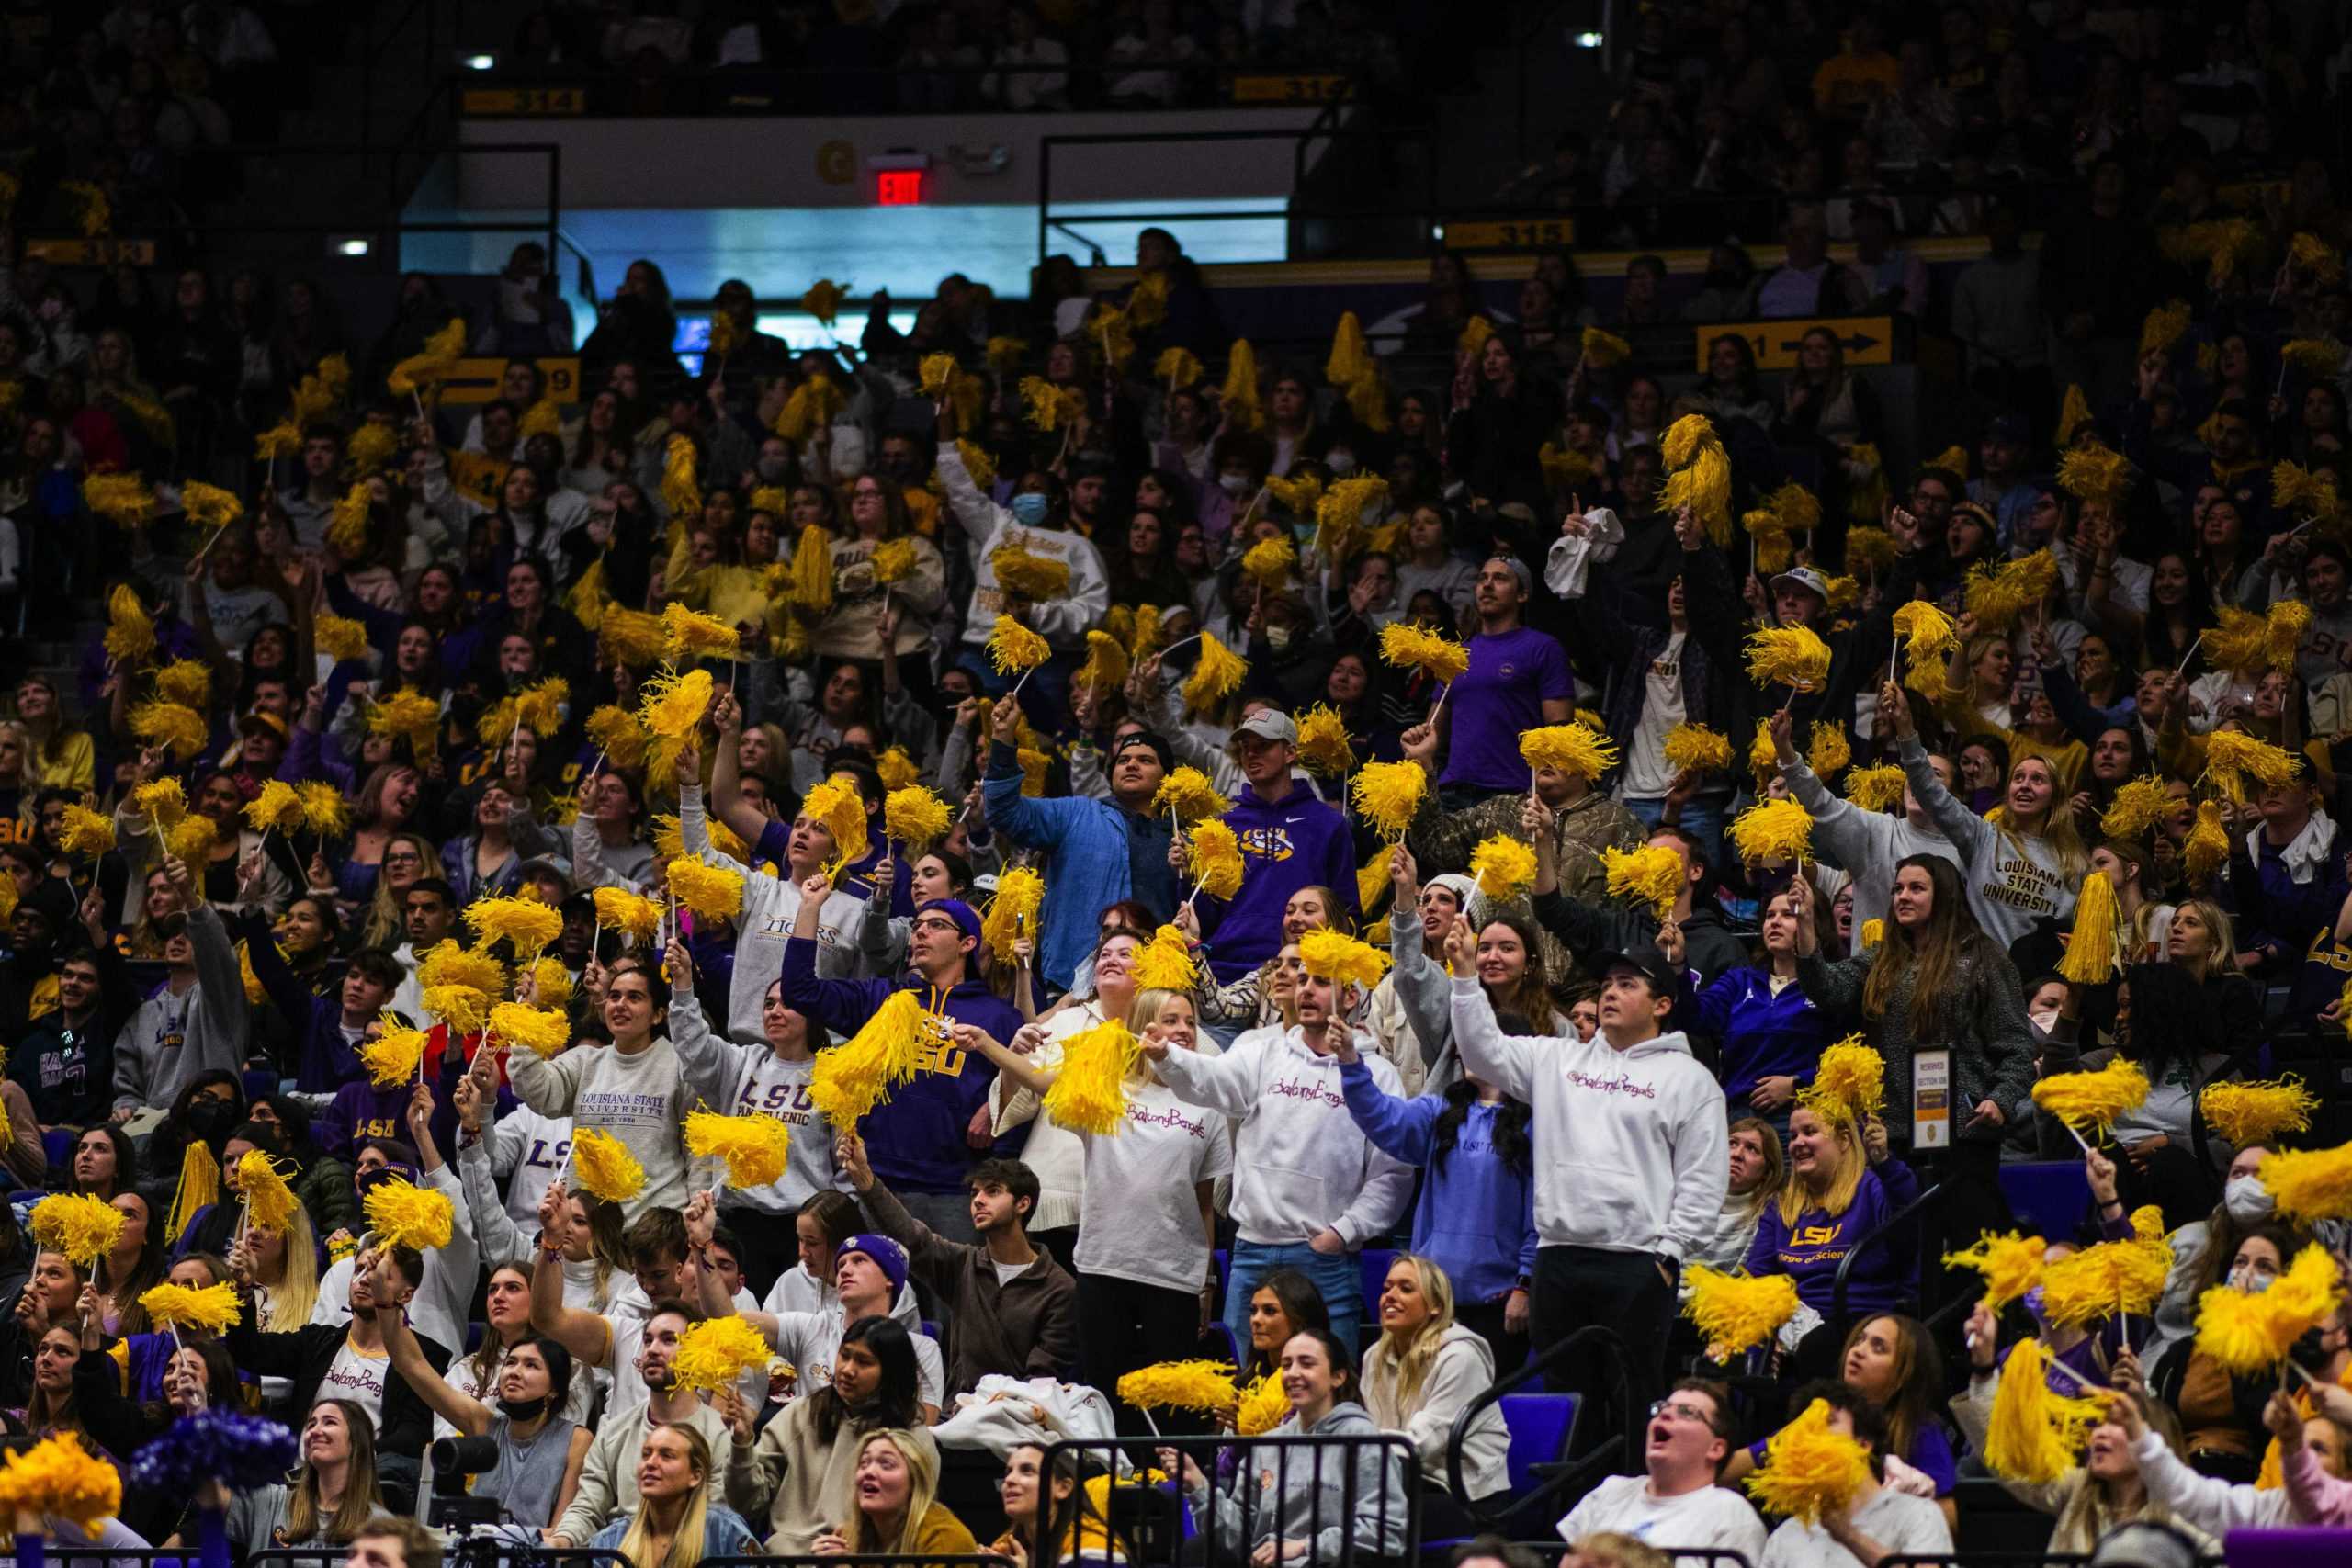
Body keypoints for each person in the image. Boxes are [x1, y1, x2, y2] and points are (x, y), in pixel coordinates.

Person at [1451, 927, 1726, 1416]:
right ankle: (1572, 1497)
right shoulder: (1556, 1059)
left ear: (1662, 1005)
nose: (1610, 994)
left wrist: (1669, 1255)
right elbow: (1481, 1052)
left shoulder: (1690, 1080)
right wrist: (1466, 979)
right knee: (1567, 1405)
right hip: (1558, 1260)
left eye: (1627, 984)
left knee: (1630, 1403)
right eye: (1605, 986)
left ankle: (1632, 1493)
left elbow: (1703, 1180)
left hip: (1639, 1262)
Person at [1145, 934, 1413, 1351]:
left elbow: (1391, 1175)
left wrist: (1343, 1233)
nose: (1306, 989)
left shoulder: (1378, 1075)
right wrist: (1169, 1057)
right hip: (1253, 1249)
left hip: (1325, 1258)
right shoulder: (1264, 1054)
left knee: (1325, 1387)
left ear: (1351, 996)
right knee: (1243, 1386)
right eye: (1303, 978)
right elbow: (1215, 1083)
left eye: (1321, 981)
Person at [781, 872, 1023, 1241]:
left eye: (937, 925)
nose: (920, 933)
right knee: (879, 1296)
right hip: (880, 1183)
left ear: (967, 943)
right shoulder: (884, 998)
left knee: (947, 1300)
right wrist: (810, 908)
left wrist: (991, 1182)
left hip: (956, 1190)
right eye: (917, 925)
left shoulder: (1000, 1017)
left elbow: (1020, 1101)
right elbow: (799, 991)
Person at [1335, 1004, 1536, 1369]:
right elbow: (1382, 1117)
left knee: (1482, 1414)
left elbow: (1541, 1215)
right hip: (1433, 1301)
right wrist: (1351, 1062)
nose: (1465, 1050)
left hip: (1501, 1302)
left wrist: (1525, 1284)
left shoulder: (1533, 1124)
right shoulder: (1439, 1112)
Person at [834, 1135, 1078, 1397]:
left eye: (992, 1191)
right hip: (957, 1413)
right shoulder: (963, 1264)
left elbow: (1044, 1377)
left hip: (1024, 1418)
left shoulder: (1058, 1287)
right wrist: (865, 1179)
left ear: (1023, 1203)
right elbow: (912, 1237)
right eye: (975, 1193)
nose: (978, 1201)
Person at [373, 1252, 588, 1535]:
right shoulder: (484, 1423)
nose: (514, 1371)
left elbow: (565, 1534)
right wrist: (386, 1303)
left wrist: (498, 1537)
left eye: (531, 1365)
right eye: (510, 1362)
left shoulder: (576, 1439)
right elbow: (411, 1365)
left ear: (554, 1390)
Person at [1159, 1326, 1412, 1563]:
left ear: (1338, 1376)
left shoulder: (1364, 1440)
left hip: (1327, 1562)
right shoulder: (1268, 1445)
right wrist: (1198, 1485)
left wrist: (1305, 1546)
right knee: (1199, 1550)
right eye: (1286, 1364)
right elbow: (1238, 1536)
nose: (1292, 1373)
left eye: (1307, 1363)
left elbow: (1387, 1529)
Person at [720, 1314, 933, 1554]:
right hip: (788, 1560)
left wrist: (856, 1557)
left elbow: (916, 1527)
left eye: (863, 1362)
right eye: (844, 1355)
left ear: (891, 1372)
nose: (847, 1370)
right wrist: (741, 1444)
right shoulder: (801, 1414)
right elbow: (746, 1503)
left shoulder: (912, 1435)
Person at [1743, 1098, 1919, 1374]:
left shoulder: (1872, 1187)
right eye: (1792, 1136)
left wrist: (1884, 1161)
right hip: (1794, 1322)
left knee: (1816, 1348)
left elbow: (1907, 1226)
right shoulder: (1780, 1206)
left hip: (1858, 1320)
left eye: (1809, 1132)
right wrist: (1771, 1334)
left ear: (1844, 1139)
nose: (1797, 1143)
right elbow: (1757, 1275)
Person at [543, 1300, 731, 1549]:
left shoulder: (718, 1433)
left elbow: (717, 1520)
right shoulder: (613, 1430)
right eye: (647, 1340)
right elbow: (587, 1507)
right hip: (620, 1554)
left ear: (698, 1354)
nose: (652, 1350)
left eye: (668, 1340)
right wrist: (561, 1542)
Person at [1362, 1255, 1511, 1532]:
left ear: (1435, 1307)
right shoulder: (1375, 1356)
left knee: (1368, 1524)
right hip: (1404, 1484)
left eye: (1405, 1289)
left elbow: (1422, 1443)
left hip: (1467, 1495)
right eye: (1386, 1288)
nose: (1390, 1297)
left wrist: (1358, 1447)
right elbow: (1371, 1430)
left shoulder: (1460, 1357)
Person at [1554, 1378, 1768, 1562]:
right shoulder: (1611, 1491)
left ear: (1716, 1448)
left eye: (1686, 1412)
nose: (1664, 1415)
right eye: (1661, 1408)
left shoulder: (1731, 1514)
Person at [1754, 1382, 1952, 1567]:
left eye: (1829, 1421)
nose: (1815, 1435)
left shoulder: (1918, 1515)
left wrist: (1848, 1535)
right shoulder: (1784, 1538)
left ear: (1863, 1443)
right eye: (1807, 1429)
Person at [223, 1399, 387, 1555]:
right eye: (311, 1424)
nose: (314, 1431)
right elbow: (211, 1490)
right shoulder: (271, 1502)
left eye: (329, 1422)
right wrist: (199, 1408)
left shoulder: (382, 1527)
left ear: (356, 1441)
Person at [588, 1422, 761, 1568]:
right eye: (646, 1454)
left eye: (667, 1455)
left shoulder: (725, 1531)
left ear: (695, 1476)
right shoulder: (609, 1541)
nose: (650, 1463)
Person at [812, 1427, 980, 1559]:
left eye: (886, 1465)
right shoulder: (847, 1536)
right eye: (864, 1464)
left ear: (915, 1481)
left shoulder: (944, 1538)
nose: (869, 1472)